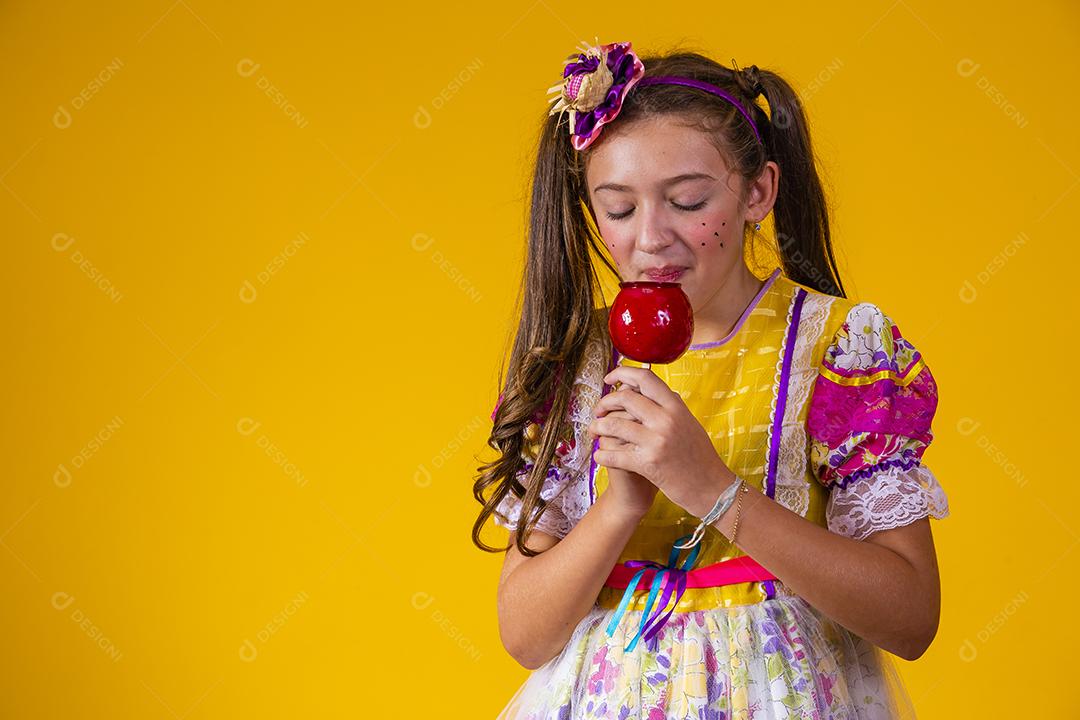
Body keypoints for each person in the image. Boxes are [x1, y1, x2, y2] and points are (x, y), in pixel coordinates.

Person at [472, 40, 950, 719]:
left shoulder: (836, 349)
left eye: (688, 200)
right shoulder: (575, 367)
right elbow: (524, 635)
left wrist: (714, 491)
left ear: (758, 192)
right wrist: (620, 506)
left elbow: (910, 618)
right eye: (619, 209)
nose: (651, 238)